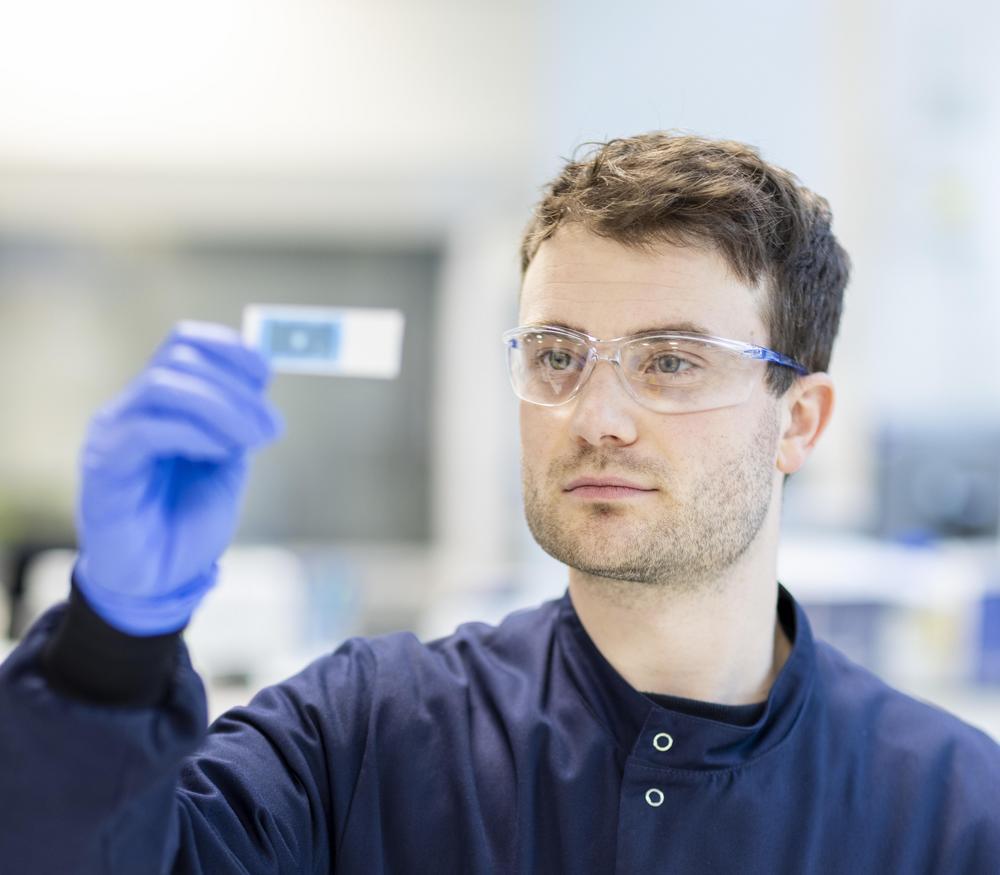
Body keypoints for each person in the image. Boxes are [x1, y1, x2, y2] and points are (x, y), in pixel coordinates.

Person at [1, 132, 997, 874]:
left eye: (673, 360)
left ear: (802, 421)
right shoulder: (360, 735)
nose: (596, 414)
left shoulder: (950, 810)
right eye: (557, 354)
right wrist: (111, 643)